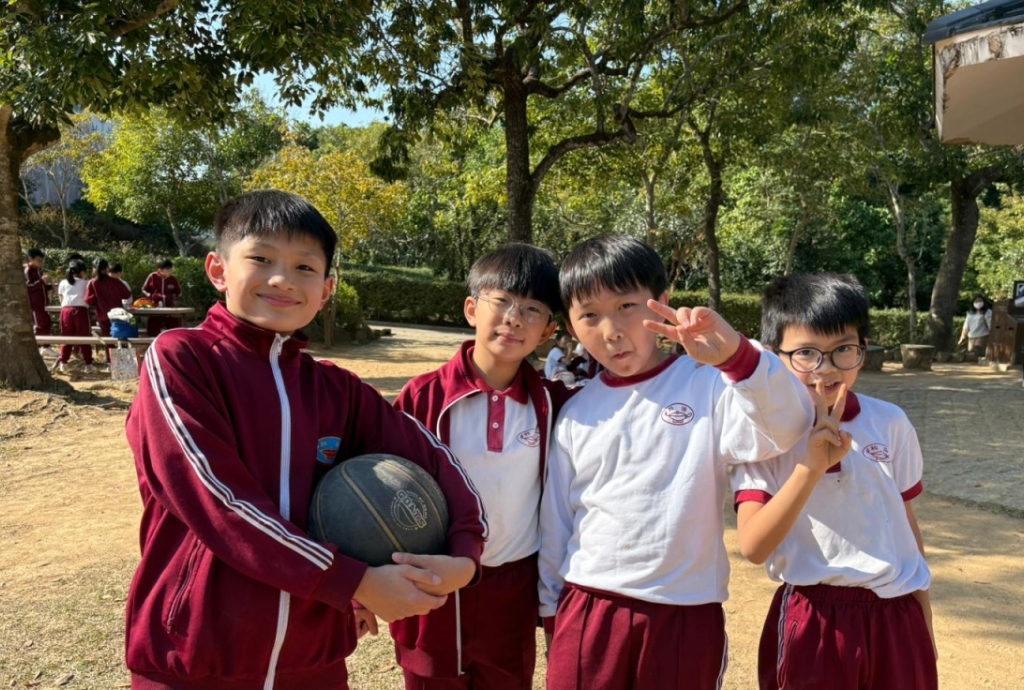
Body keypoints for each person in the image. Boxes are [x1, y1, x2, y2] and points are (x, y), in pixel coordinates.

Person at [123, 190, 487, 690]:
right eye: (261, 259)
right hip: (197, 657)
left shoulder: (338, 390)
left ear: (326, 289)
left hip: (314, 660)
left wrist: (464, 555)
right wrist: (353, 581)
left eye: (304, 267)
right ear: (218, 270)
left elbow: (436, 460)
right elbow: (221, 502)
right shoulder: (182, 359)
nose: (282, 279)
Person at [538, 236, 814, 690]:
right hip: (589, 604)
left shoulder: (708, 384)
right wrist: (553, 612)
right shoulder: (577, 411)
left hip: (685, 610)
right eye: (589, 315)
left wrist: (737, 356)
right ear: (570, 324)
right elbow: (557, 523)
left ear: (662, 303)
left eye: (627, 306)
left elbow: (786, 426)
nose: (611, 330)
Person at [732, 273, 936, 690]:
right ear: (773, 356)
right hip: (815, 619)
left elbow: (906, 526)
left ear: (863, 348)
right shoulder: (762, 436)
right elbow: (753, 546)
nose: (825, 369)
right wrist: (809, 467)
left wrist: (924, 617)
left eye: (843, 349)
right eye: (806, 353)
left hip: (898, 617)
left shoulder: (889, 422)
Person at [391, 243, 574, 690]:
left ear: (548, 331)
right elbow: (385, 485)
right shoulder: (422, 397)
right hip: (435, 582)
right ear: (472, 309)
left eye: (532, 310)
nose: (514, 318)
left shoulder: (555, 404)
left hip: (512, 588)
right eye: (502, 301)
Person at [86, 257, 132, 365]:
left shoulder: (93, 283)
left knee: (108, 339)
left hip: (103, 315)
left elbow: (88, 300)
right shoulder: (115, 281)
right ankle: (124, 363)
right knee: (121, 337)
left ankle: (111, 362)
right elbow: (127, 294)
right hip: (118, 315)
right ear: (107, 268)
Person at [56, 259, 97, 375]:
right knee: (85, 338)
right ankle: (88, 364)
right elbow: (90, 298)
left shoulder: (63, 283)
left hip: (65, 311)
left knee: (66, 337)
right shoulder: (86, 283)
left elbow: (61, 298)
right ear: (83, 272)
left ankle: (63, 363)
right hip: (81, 311)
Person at [24, 247, 58, 358]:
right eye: (38, 260)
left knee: (46, 324)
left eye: (42, 261)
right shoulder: (28, 271)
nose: (41, 263)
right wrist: (41, 281)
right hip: (35, 304)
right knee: (38, 326)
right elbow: (28, 287)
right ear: (30, 259)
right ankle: (35, 349)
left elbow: (40, 287)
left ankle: (46, 347)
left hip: (43, 302)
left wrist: (50, 287)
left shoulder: (38, 270)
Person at [141, 258, 183, 335]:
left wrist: (174, 298)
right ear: (160, 270)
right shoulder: (152, 276)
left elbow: (179, 292)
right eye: (168, 269)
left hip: (170, 310)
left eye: (171, 268)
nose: (170, 271)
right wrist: (150, 296)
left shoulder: (173, 279)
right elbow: (144, 289)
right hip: (155, 310)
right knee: (152, 332)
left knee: (175, 331)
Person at [959, 293, 993, 358]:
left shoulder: (987, 312)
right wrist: (963, 336)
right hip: (971, 337)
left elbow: (990, 325)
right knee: (970, 355)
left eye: (980, 301)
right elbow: (966, 325)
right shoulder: (970, 313)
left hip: (982, 336)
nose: (978, 303)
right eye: (976, 301)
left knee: (978, 355)